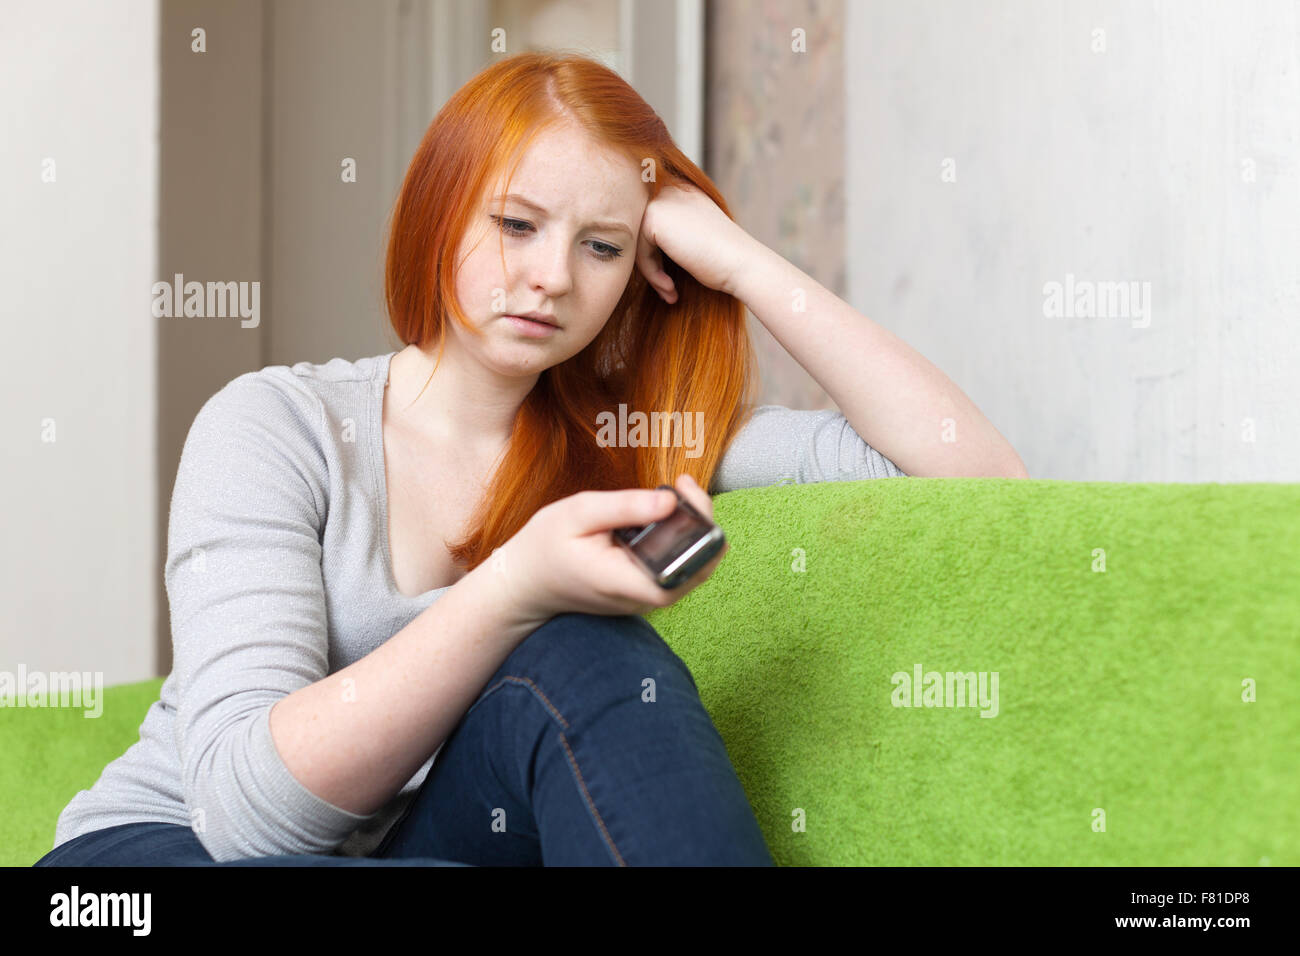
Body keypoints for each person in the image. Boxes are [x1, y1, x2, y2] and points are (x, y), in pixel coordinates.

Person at [37, 51, 1016, 868]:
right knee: (547, 630)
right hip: (155, 859)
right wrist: (514, 586)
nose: (550, 276)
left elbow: (975, 477)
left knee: (590, 653)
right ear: (440, 210)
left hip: (404, 850)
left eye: (600, 247)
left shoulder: (634, 439)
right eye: (516, 224)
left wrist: (741, 262)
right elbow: (247, 821)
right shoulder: (273, 425)